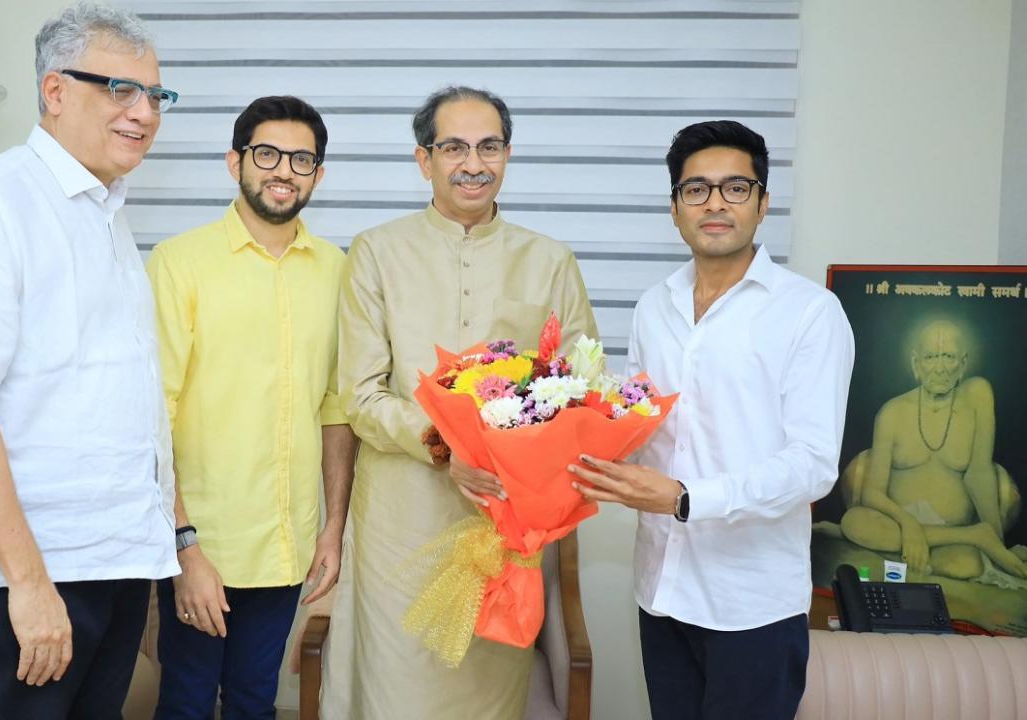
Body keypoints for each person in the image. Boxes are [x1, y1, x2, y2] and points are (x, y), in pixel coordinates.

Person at [0, 3, 179, 718]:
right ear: (55, 92)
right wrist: (26, 583)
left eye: (155, 95)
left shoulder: (104, 212)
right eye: (121, 90)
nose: (144, 113)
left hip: (111, 556)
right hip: (34, 569)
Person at [320, 86, 598, 720]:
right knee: (396, 686)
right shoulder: (375, 252)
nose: (474, 162)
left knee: (488, 691)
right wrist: (446, 447)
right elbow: (360, 394)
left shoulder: (551, 261)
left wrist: (528, 451)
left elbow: (582, 390)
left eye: (489, 146)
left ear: (507, 154)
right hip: (400, 522)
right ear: (425, 160)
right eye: (454, 147)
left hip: (501, 528)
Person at [569, 120, 855, 719]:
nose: (716, 203)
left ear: (763, 202)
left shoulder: (810, 313)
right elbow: (642, 428)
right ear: (675, 208)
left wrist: (685, 499)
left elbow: (812, 466)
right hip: (662, 590)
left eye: (735, 188)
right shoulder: (655, 306)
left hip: (750, 603)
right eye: (696, 189)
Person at [147, 96, 357, 720]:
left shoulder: (336, 271)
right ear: (235, 162)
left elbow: (336, 410)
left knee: (254, 703)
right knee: (185, 703)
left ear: (318, 174)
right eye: (267, 154)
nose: (282, 171)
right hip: (202, 542)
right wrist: (185, 549)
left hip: (287, 544)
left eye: (301, 159)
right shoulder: (179, 262)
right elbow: (152, 416)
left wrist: (332, 532)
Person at [833, 320, 1027, 583]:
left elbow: (979, 474)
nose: (940, 368)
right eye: (930, 357)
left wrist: (997, 542)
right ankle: (972, 537)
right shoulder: (892, 412)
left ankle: (971, 539)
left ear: (963, 362)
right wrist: (908, 524)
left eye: (948, 356)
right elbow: (872, 493)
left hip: (949, 530)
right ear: (916, 363)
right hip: (898, 526)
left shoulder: (977, 395)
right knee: (854, 522)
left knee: (966, 565)